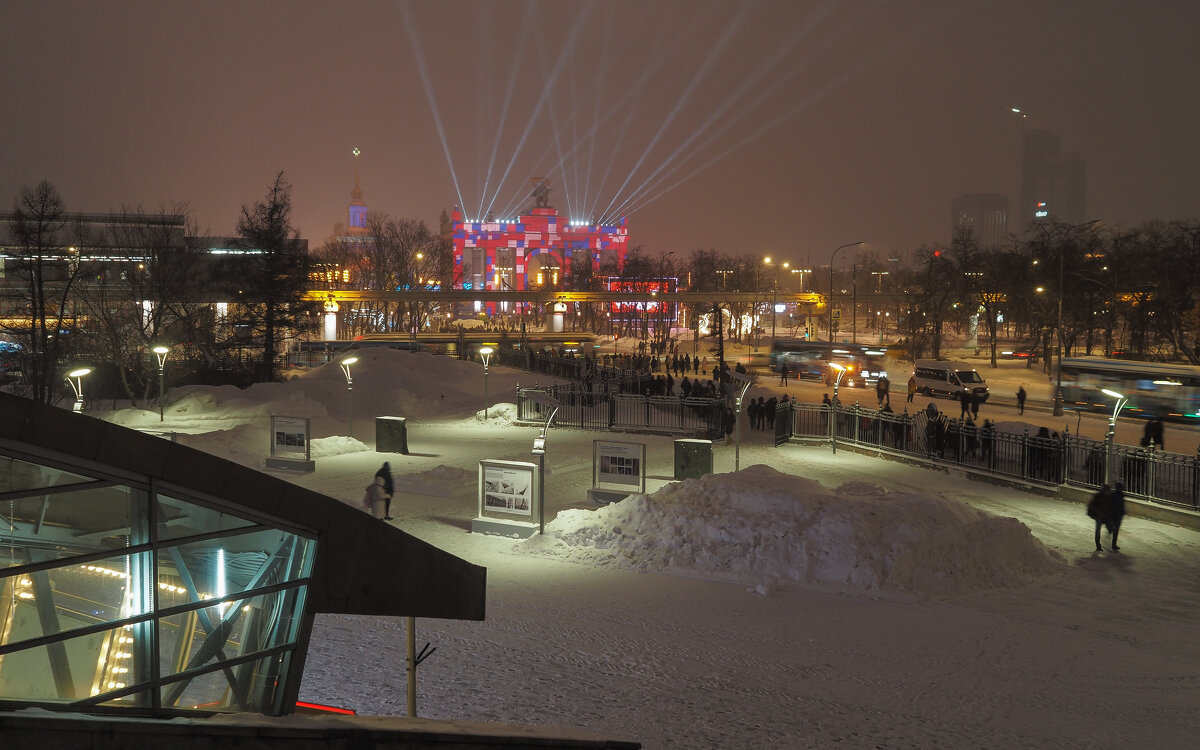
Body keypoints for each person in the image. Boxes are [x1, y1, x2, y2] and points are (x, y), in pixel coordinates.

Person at [1087, 484, 1113, 552]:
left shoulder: (1108, 497)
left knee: (1110, 529)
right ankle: (1098, 545)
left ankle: (1105, 542)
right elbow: (1092, 505)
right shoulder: (1098, 496)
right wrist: (1099, 512)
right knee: (1098, 531)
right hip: (1099, 516)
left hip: (1105, 516)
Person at [1108, 482, 1127, 552]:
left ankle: (1114, 544)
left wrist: (1123, 512)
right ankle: (1113, 543)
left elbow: (1122, 505)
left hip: (1118, 515)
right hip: (1114, 514)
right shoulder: (1113, 495)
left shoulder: (1121, 495)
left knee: (1116, 530)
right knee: (1113, 529)